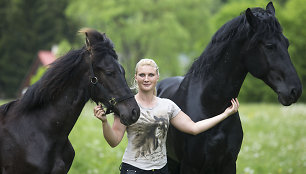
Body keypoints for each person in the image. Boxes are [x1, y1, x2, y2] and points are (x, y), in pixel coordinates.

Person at [93, 58, 239, 174]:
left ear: (157, 77)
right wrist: (104, 122)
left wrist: (225, 114)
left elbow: (194, 128)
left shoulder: (167, 106)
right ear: (136, 77)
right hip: (134, 169)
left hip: (161, 170)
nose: (146, 79)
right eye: (142, 75)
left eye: (150, 75)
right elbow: (114, 141)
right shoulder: (127, 107)